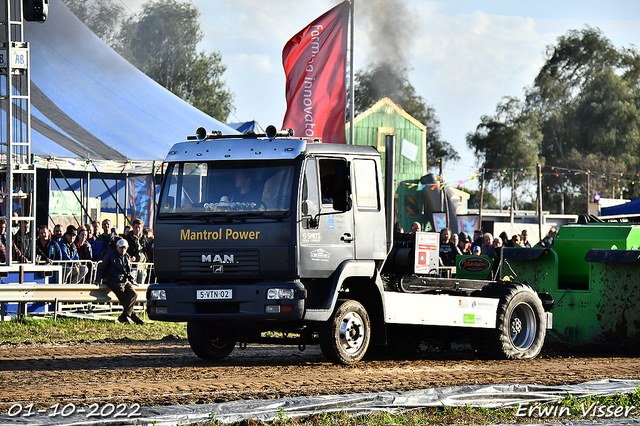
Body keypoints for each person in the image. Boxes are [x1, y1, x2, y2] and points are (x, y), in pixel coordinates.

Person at [95, 238, 145, 325]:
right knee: (126, 300)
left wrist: (132, 280)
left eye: (125, 248)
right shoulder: (110, 255)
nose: (123, 250)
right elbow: (102, 268)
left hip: (125, 280)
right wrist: (98, 279)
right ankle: (136, 320)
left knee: (133, 294)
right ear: (117, 247)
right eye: (121, 247)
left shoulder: (126, 256)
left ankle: (125, 316)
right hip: (114, 281)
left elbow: (128, 271)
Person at [126, 219, 148, 284]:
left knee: (141, 283)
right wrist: (129, 257)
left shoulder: (143, 238)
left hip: (142, 265)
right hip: (133, 265)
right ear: (133, 227)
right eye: (136, 227)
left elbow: (146, 250)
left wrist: (147, 260)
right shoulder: (128, 238)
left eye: (139, 227)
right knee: (132, 283)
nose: (138, 229)